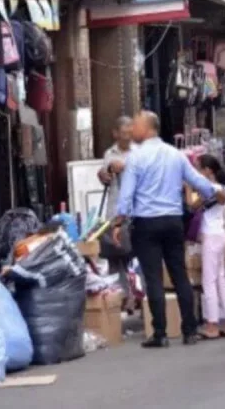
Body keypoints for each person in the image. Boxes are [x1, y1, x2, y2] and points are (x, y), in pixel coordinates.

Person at [114, 111, 225, 347]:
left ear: (147, 128)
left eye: (135, 125)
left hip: (146, 223)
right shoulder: (175, 155)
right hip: (173, 222)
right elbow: (198, 182)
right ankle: (189, 330)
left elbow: (126, 195)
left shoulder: (136, 158)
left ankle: (161, 333)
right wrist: (213, 192)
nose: (132, 129)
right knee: (179, 274)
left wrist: (118, 221)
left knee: (153, 277)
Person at [186, 154, 225, 340]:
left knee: (209, 281)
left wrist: (187, 189)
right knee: (220, 280)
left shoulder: (212, 188)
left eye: (198, 168)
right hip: (220, 234)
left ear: (208, 170)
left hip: (211, 236)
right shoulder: (224, 187)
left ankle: (212, 324)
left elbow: (192, 206)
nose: (196, 172)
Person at [97, 116, 138, 309]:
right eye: (124, 132)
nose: (128, 135)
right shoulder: (109, 153)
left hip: (137, 211)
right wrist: (104, 173)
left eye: (131, 131)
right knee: (115, 255)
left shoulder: (139, 152)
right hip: (115, 211)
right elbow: (106, 177)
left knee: (138, 254)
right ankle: (123, 296)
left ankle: (142, 296)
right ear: (115, 133)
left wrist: (126, 168)